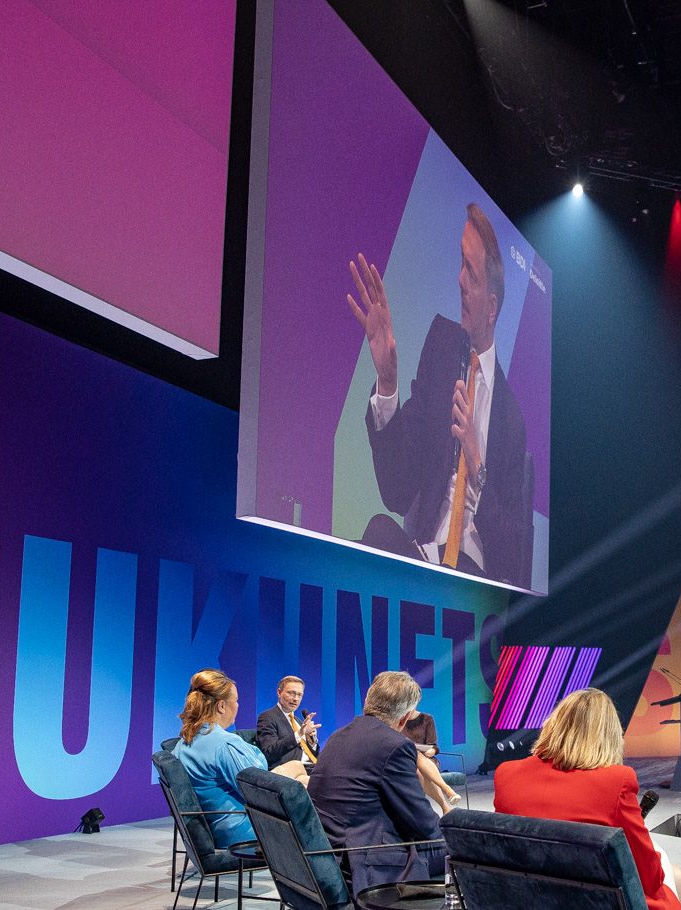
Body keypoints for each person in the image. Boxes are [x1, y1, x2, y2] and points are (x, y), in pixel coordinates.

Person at [348, 204, 530, 585]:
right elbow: (397, 491)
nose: (459, 280)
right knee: (373, 536)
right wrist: (387, 381)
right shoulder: (442, 348)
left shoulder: (511, 419)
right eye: (461, 264)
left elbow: (514, 557)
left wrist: (477, 468)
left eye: (472, 274)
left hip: (473, 579)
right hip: (425, 558)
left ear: (492, 308)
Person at [494, 688, 681, 910]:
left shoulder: (506, 774)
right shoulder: (617, 781)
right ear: (609, 736)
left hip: (524, 900)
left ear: (553, 725)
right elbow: (650, 878)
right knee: (676, 876)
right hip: (592, 902)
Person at [308, 671, 446, 893]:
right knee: (465, 848)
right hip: (363, 862)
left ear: (368, 701)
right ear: (404, 718)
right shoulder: (396, 745)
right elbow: (423, 824)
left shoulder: (337, 736)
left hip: (326, 852)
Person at [172, 669, 278, 849]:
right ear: (221, 706)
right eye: (236, 700)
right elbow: (260, 794)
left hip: (216, 832)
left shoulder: (182, 745)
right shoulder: (225, 744)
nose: (238, 706)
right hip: (243, 833)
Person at [402, 708, 460, 814]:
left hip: (426, 759)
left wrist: (431, 751)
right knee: (416, 764)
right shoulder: (397, 719)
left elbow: (434, 746)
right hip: (405, 759)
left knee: (419, 765)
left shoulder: (427, 718)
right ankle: (446, 797)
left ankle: (425, 811)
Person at [257, 675, 321, 767]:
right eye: (291, 693)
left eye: (299, 695)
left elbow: (313, 755)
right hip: (292, 770)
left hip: (313, 767)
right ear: (279, 692)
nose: (296, 699)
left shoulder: (298, 721)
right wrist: (299, 734)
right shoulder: (268, 717)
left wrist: (311, 741)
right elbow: (269, 752)